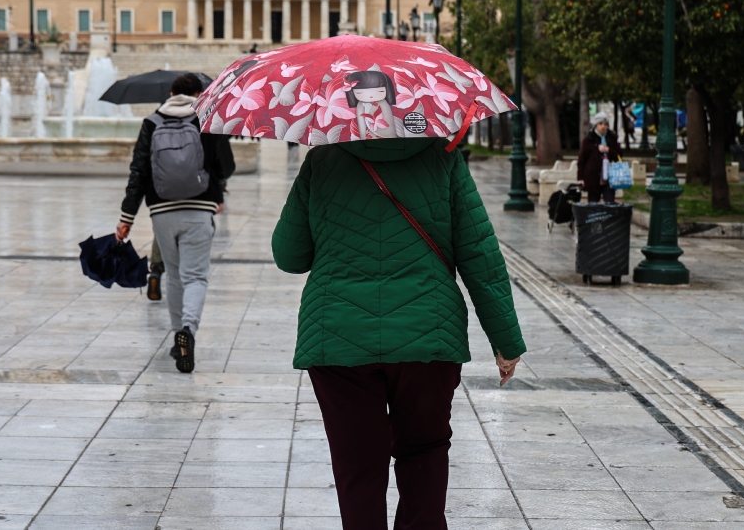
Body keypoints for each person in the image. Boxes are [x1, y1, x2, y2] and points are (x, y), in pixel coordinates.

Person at [272, 136, 526, 530]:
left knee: (358, 467)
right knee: (424, 453)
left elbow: (289, 256)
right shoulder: (443, 158)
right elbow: (480, 252)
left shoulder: (322, 160)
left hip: (338, 338)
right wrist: (505, 341)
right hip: (429, 334)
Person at [115, 73, 235, 372]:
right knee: (195, 276)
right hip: (199, 207)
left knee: (173, 275)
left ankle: (176, 336)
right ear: (198, 92)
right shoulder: (206, 119)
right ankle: (188, 331)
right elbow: (227, 165)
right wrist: (217, 187)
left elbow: (138, 172)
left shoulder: (152, 122)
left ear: (170, 93)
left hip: (162, 211)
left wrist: (127, 217)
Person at [578, 112, 623, 203]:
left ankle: (608, 217)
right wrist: (580, 178)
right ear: (596, 125)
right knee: (593, 203)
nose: (603, 127)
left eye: (605, 124)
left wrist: (607, 150)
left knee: (610, 203)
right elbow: (582, 160)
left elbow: (619, 155)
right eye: (600, 124)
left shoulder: (612, 138)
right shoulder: (588, 139)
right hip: (593, 177)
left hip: (609, 177)